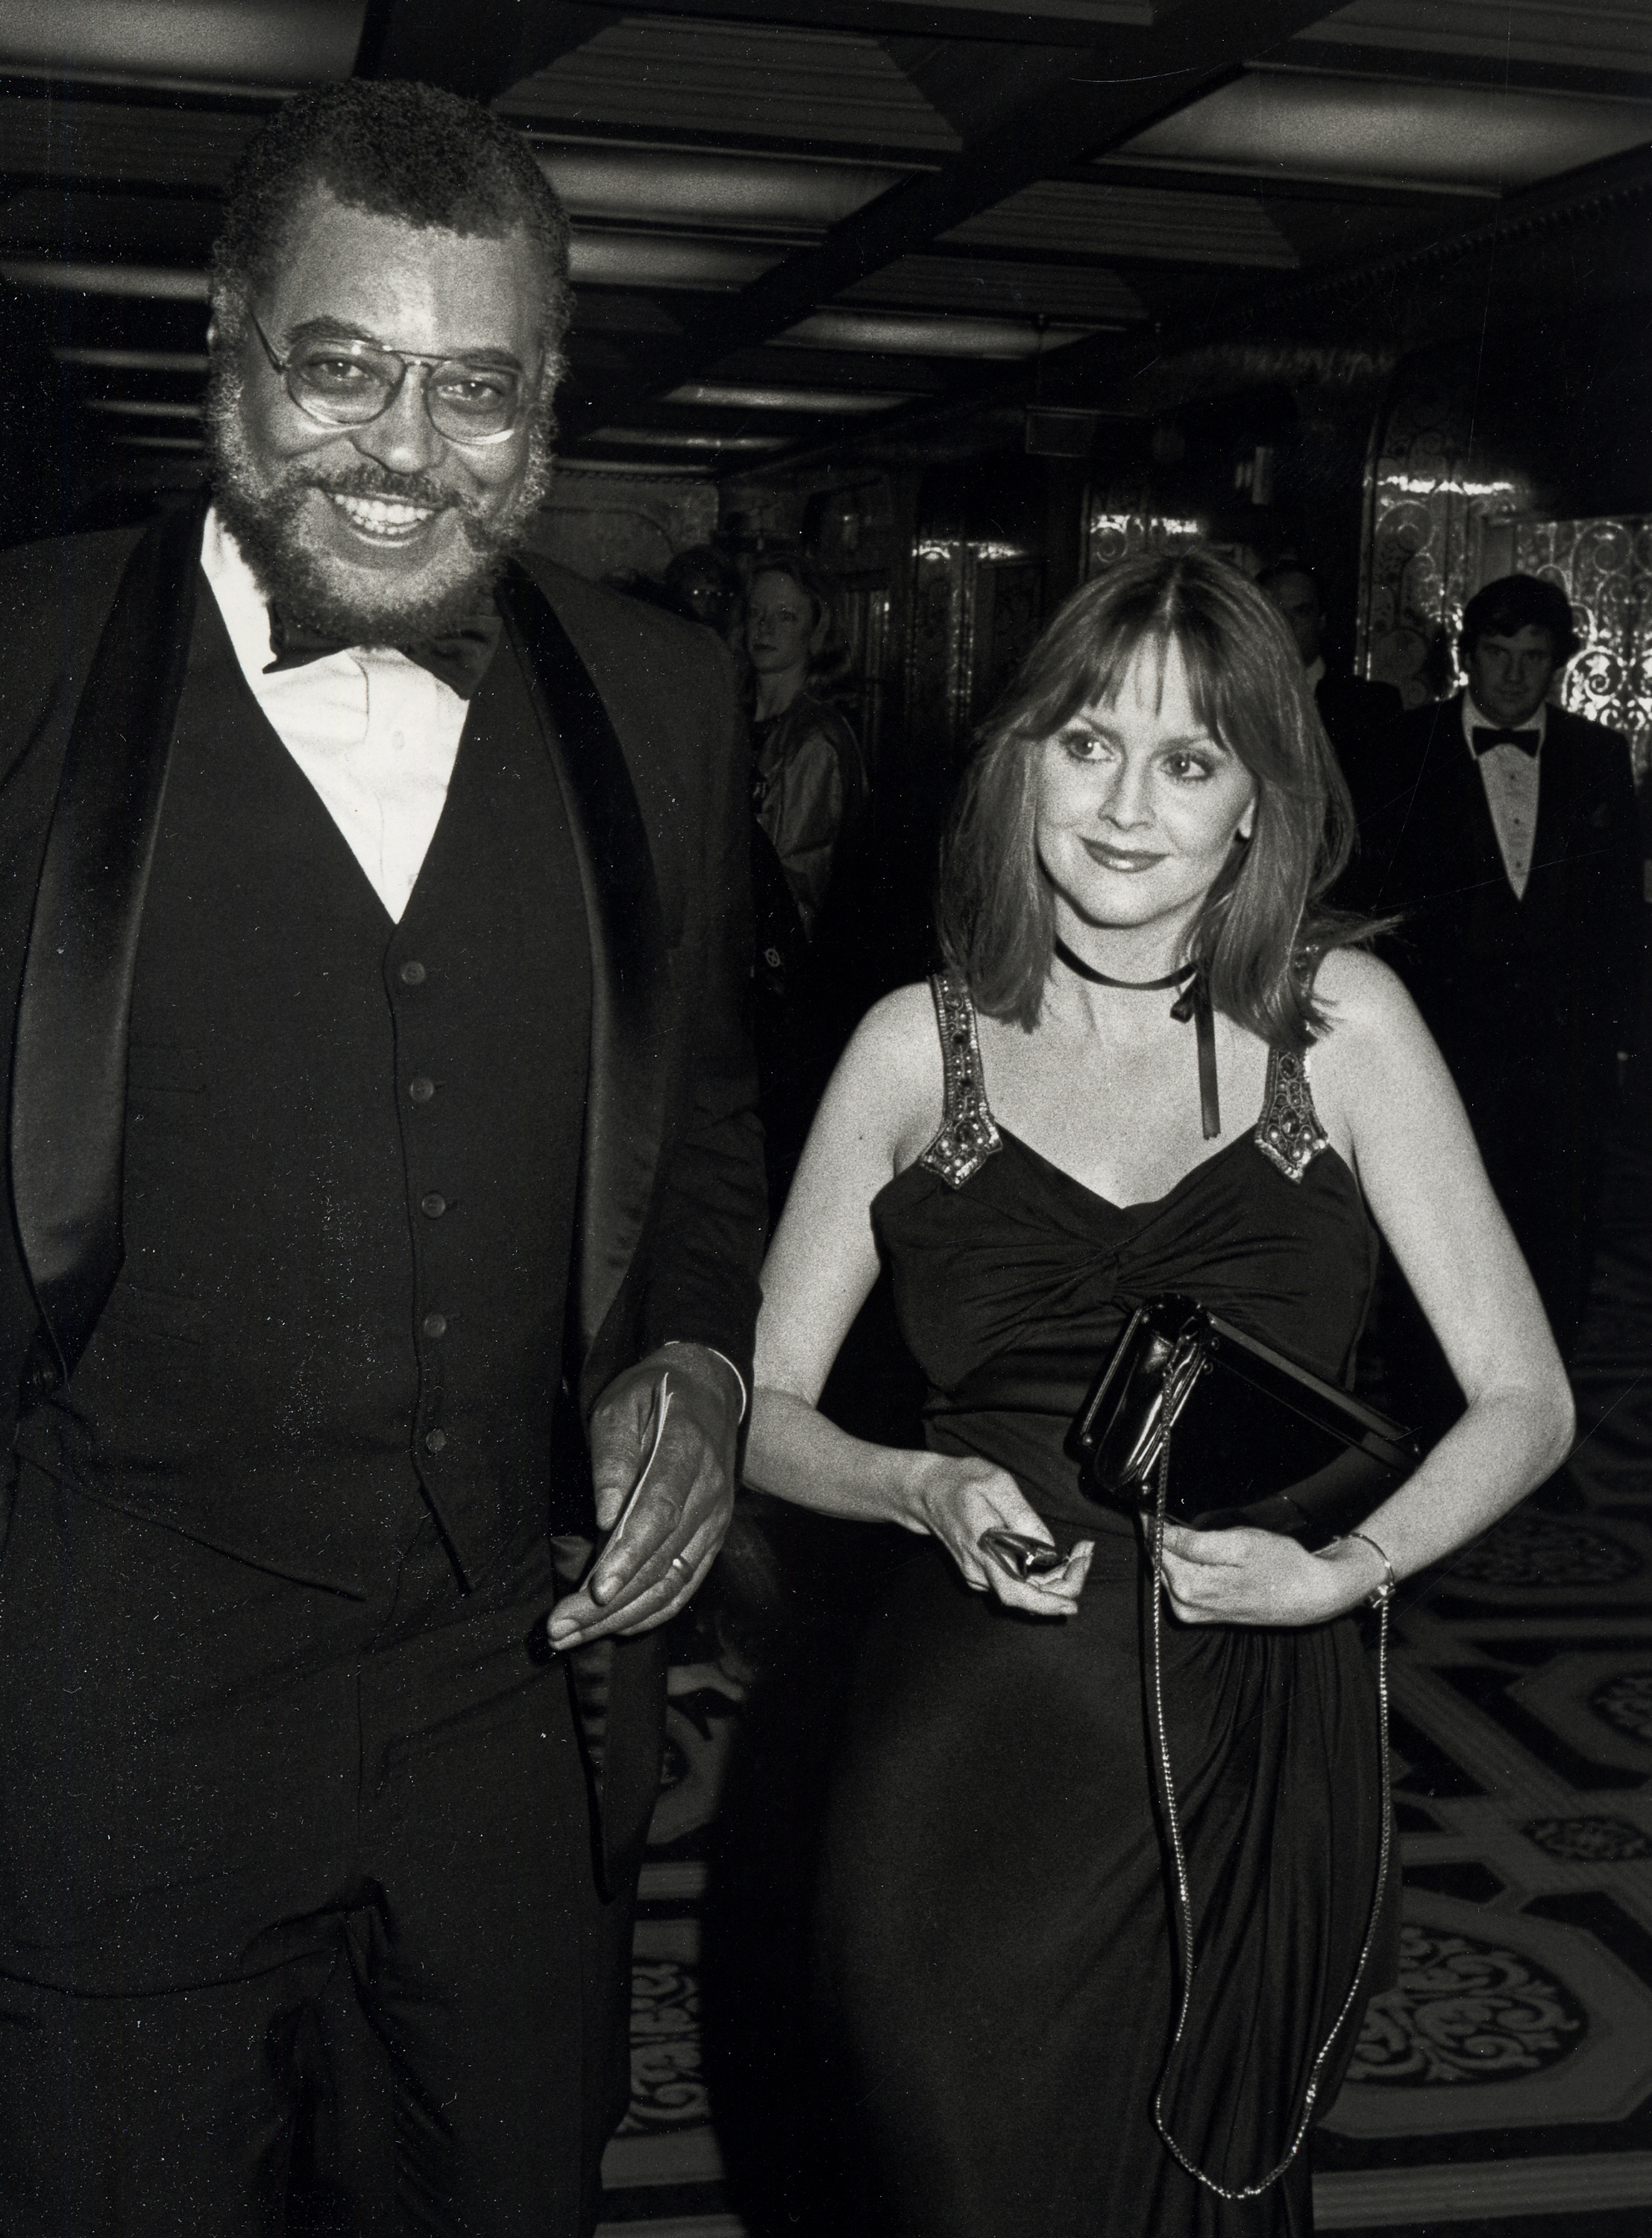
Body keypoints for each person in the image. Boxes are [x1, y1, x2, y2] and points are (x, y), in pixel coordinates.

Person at [0, 81, 764, 2238]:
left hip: (508, 1721)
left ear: (545, 397)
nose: (406, 450)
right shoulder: (24, 667)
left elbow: (699, 1133)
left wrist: (694, 1371)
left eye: (473, 388)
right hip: (102, 1709)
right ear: (228, 340)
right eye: (341, 370)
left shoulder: (662, 700)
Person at [744, 551, 1572, 2237]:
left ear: (1258, 803)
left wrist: (1348, 1568)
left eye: (1188, 759)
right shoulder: (919, 1044)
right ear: (1017, 765)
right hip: (965, 1745)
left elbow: (1523, 1396)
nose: (1127, 803)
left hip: (1247, 1725)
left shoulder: (1345, 1030)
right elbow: (758, 1406)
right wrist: (912, 1484)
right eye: (1085, 743)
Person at [1361, 574, 1643, 1381]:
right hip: (1438, 1053)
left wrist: (1614, 1049)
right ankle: (1428, 1423)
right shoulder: (1399, 750)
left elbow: (1620, 916)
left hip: (1561, 1061)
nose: (1514, 677)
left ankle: (1536, 1425)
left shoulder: (1597, 755)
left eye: (1533, 658)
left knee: (1557, 1239)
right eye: (1496, 654)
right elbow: (1367, 907)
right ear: (1466, 656)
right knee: (1434, 1239)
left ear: (1558, 663)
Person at [747, 551, 866, 944]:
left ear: (816, 632)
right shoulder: (733, 716)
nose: (765, 627)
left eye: (786, 616)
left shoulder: (816, 739)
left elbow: (796, 888)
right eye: (756, 612)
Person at [1257, 560, 1401, 818]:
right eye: (1274, 612)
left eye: (1300, 612)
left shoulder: (1370, 705)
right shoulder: (1231, 699)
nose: (1286, 625)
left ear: (1321, 621)